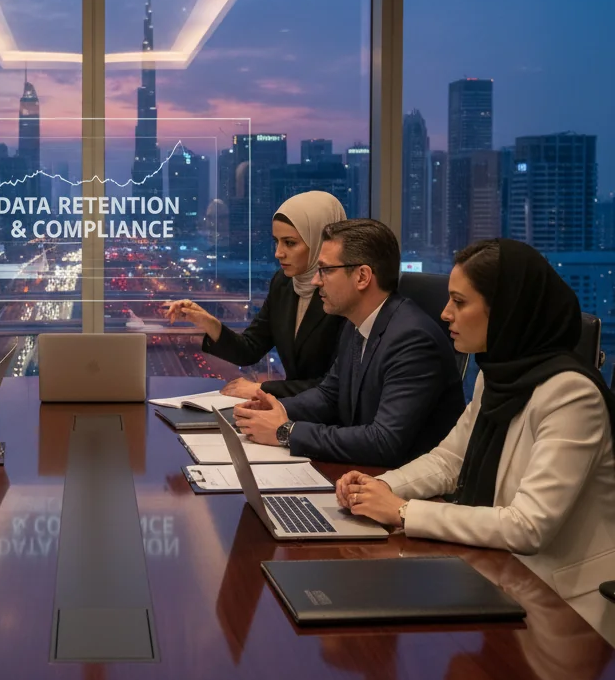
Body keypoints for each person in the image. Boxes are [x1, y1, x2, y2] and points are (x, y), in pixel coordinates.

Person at [337, 239, 615, 643]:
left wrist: (402, 512)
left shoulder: (571, 396)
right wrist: (382, 486)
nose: (445, 313)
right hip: (500, 578)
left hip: (565, 613)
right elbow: (450, 460)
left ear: (505, 309)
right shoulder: (497, 373)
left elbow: (528, 526)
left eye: (459, 302)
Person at [233, 219, 465, 468]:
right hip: (364, 476)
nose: (315, 281)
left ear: (362, 277)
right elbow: (329, 395)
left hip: (403, 490)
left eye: (325, 270)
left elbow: (383, 442)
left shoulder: (413, 341)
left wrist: (287, 432)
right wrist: (273, 409)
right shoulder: (356, 324)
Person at [164, 191, 346, 398]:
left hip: (331, 422)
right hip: (295, 412)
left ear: (320, 242)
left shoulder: (343, 293)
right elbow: (250, 350)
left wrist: (262, 389)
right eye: (276, 242)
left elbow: (336, 386)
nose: (278, 252)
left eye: (290, 243)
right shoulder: (284, 283)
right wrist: (208, 323)